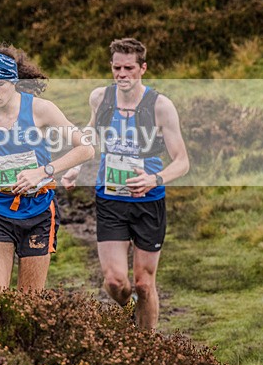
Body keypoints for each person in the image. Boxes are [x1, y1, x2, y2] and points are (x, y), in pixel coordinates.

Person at [61, 38, 189, 329]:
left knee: (144, 284)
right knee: (114, 282)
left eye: (129, 68)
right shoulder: (100, 98)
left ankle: (148, 346)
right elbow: (91, 134)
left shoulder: (160, 106)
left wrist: (153, 179)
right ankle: (129, 309)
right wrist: (75, 167)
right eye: (117, 68)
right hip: (111, 199)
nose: (122, 74)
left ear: (143, 68)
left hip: (148, 201)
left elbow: (182, 161)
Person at [0, 46, 94, 292]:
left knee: (29, 300)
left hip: (39, 210)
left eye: (0, 84)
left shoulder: (40, 109)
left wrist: (44, 172)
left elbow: (86, 148)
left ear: (14, 80)